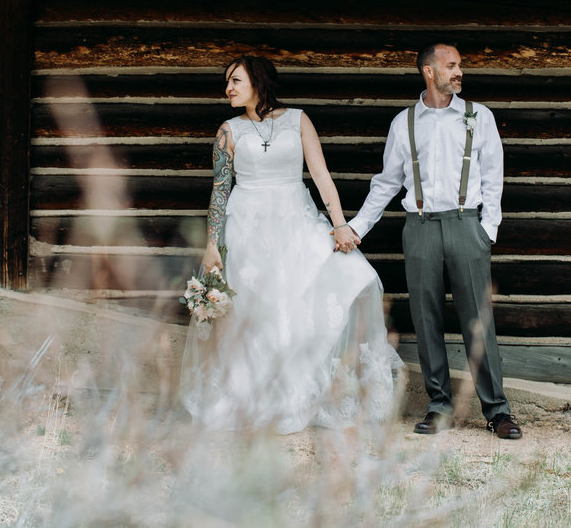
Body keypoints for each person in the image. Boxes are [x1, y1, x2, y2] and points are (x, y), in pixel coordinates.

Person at [179, 55, 402, 434]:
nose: (228, 89)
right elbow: (219, 192)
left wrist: (339, 225)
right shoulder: (227, 131)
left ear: (257, 81)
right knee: (259, 315)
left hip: (295, 222)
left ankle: (304, 394)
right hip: (247, 230)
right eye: (227, 82)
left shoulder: (298, 120)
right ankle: (257, 398)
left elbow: (320, 174)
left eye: (235, 80)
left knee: (334, 287)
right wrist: (212, 244)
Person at [346, 43, 522, 439]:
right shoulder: (404, 123)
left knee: (478, 321)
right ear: (429, 71)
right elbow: (387, 183)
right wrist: (357, 227)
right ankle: (439, 407)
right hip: (420, 226)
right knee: (426, 320)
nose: (459, 72)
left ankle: (497, 412)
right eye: (452, 66)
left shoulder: (480, 117)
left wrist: (486, 229)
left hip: (466, 226)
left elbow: (493, 177)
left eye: (460, 65)